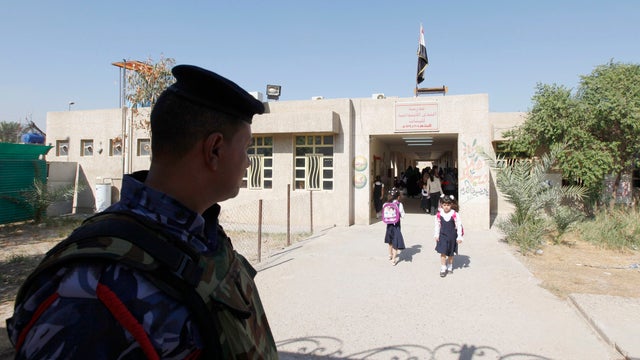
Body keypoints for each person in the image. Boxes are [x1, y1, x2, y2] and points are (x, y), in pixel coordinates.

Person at [7, 65, 278, 359]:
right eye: (247, 148)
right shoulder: (90, 290)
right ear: (214, 150)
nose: (249, 162)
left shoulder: (202, 235)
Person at [434, 194, 464, 277]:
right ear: (441, 205)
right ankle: (443, 268)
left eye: (448, 205)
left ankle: (450, 266)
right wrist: (436, 235)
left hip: (452, 236)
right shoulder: (439, 214)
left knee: (450, 254)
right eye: (444, 205)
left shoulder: (455, 214)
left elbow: (459, 226)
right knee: (443, 252)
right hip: (442, 236)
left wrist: (459, 236)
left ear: (451, 205)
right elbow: (437, 225)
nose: (446, 207)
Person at [383, 188, 406, 265]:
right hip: (396, 226)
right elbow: (403, 215)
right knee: (395, 242)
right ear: (398, 197)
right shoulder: (399, 204)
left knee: (390, 241)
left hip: (389, 226)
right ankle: (394, 259)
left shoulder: (385, 204)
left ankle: (390, 255)